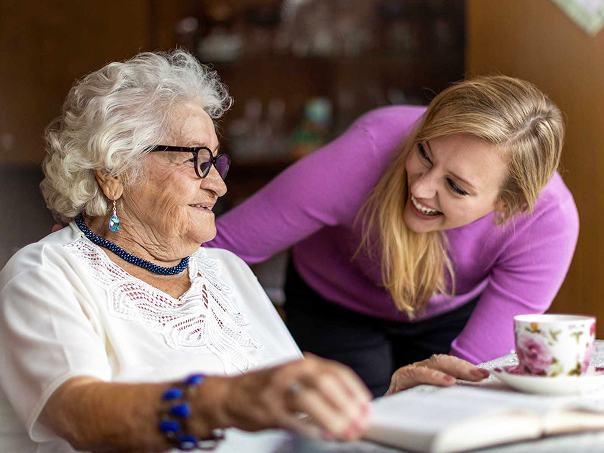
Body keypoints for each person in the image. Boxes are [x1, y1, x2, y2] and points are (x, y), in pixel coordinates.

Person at [0, 50, 488, 453]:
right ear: (113, 170)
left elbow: (291, 419)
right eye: (198, 161)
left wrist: (385, 404)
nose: (217, 184)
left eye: (217, 161)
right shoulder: (46, 276)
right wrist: (221, 400)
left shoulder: (225, 270)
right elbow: (78, 413)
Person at [207, 75, 579, 397]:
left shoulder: (548, 222)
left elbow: (471, 379)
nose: (421, 189)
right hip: (335, 302)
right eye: (424, 153)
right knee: (349, 424)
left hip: (449, 312)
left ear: (508, 205)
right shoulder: (367, 150)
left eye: (455, 186)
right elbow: (216, 248)